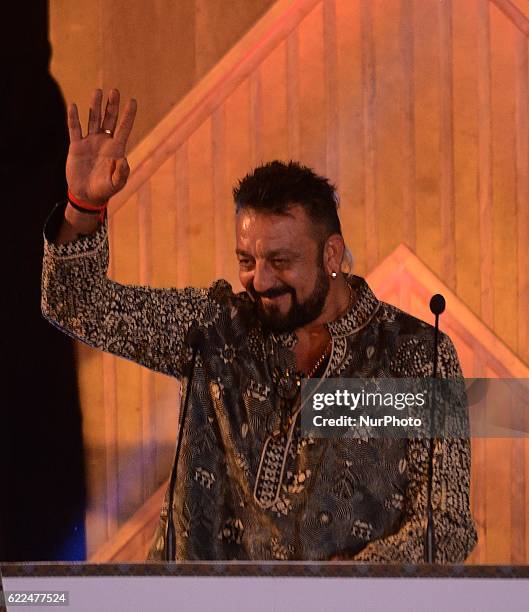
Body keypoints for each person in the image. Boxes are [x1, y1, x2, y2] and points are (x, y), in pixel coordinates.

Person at [41, 88, 477, 562]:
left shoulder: (415, 355)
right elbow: (76, 304)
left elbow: (446, 525)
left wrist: (341, 586)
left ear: (330, 254)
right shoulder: (214, 329)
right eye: (246, 259)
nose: (260, 280)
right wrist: (81, 208)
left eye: (281, 260)